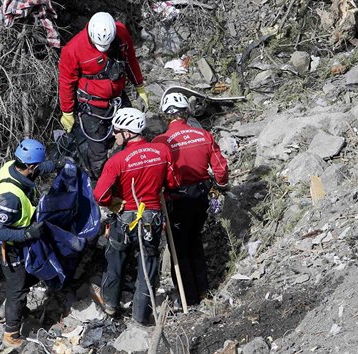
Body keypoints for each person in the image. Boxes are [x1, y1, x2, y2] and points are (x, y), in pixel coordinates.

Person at [93, 107, 179, 324]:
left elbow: (100, 195)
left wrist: (114, 202)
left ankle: (111, 305)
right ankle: (141, 316)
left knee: (115, 261)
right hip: (152, 219)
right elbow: (173, 183)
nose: (113, 134)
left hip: (124, 219)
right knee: (147, 265)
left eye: (117, 130)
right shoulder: (162, 152)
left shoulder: (117, 161)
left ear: (128, 132)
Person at [152, 92, 229, 307]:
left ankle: (190, 298)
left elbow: (156, 176)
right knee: (195, 240)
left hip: (175, 200)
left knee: (179, 247)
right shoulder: (203, 135)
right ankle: (203, 289)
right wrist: (221, 185)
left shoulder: (160, 142)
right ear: (186, 113)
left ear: (166, 116)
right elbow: (220, 168)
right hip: (200, 197)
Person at [0, 138, 61, 348]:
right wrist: (27, 234)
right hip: (6, 246)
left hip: (17, 238)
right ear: (30, 165)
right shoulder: (10, 197)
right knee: (18, 288)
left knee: (24, 279)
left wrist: (57, 164)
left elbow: (37, 169)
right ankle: (11, 333)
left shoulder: (14, 166)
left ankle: (9, 300)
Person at [58, 12, 149, 180]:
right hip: (92, 105)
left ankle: (133, 175)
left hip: (118, 99)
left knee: (133, 137)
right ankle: (101, 185)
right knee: (98, 151)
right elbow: (66, 82)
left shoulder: (120, 33)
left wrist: (140, 86)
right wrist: (67, 111)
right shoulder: (73, 49)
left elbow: (130, 60)